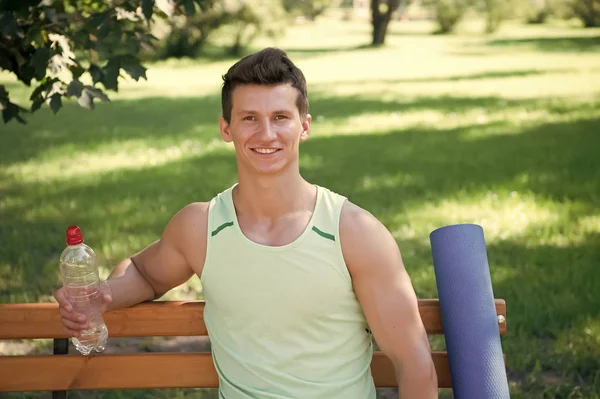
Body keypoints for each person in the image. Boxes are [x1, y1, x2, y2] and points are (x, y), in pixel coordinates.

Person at [53, 47, 438, 398]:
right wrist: (103, 297)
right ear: (226, 128)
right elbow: (145, 273)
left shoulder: (354, 232)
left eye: (280, 117)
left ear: (304, 126)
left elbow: (413, 361)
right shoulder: (199, 227)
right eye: (250, 118)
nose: (266, 134)